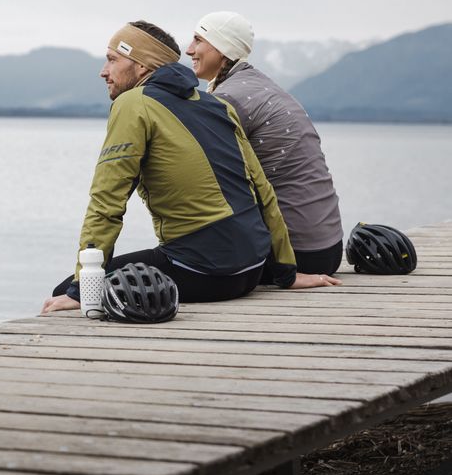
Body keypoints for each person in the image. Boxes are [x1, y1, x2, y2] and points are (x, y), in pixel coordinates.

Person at [42, 21, 338, 314]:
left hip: (202, 272)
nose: (103, 71)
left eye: (112, 60)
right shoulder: (217, 105)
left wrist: (81, 289)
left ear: (142, 66)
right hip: (252, 270)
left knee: (67, 293)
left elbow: (106, 201)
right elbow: (262, 191)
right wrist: (286, 272)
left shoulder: (133, 104)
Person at [186, 11, 344, 277]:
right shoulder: (260, 86)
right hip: (328, 248)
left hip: (293, 256)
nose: (189, 49)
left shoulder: (229, 98)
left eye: (198, 40)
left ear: (223, 49)